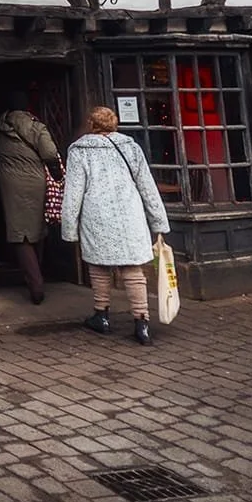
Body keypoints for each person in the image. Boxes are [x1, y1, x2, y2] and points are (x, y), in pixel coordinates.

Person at [62, 106, 171, 346]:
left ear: (91, 124)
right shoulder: (131, 147)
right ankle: (141, 322)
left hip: (97, 215)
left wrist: (69, 228)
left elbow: (73, 193)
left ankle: (101, 315)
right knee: (133, 270)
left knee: (99, 266)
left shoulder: (79, 150)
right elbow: (147, 186)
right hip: (130, 213)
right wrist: (159, 222)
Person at [0, 91, 62, 305]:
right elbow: (50, 152)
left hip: (9, 183)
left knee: (20, 232)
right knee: (36, 229)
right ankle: (38, 284)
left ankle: (34, 282)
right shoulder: (35, 126)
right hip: (35, 181)